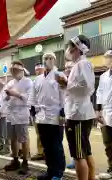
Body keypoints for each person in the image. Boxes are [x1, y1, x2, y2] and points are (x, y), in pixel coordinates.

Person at [59, 35, 96, 180]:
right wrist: (67, 84)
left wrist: (66, 84)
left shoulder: (82, 64)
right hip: (79, 113)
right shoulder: (79, 65)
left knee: (78, 155)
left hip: (78, 115)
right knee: (86, 152)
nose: (70, 51)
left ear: (80, 49)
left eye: (73, 48)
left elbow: (87, 88)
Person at [30, 52, 65, 180]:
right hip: (41, 116)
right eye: (45, 58)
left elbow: (64, 94)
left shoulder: (59, 75)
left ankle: (58, 173)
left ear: (54, 60)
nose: (47, 60)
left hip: (55, 115)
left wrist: (63, 110)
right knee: (46, 146)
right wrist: (32, 108)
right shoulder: (38, 79)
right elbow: (33, 95)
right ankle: (50, 171)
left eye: (50, 58)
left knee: (56, 146)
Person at [4, 61, 33, 175]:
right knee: (13, 138)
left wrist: (16, 94)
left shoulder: (28, 82)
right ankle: (15, 160)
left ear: (21, 70)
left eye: (15, 70)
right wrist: (7, 95)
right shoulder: (10, 82)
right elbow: (4, 97)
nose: (13, 72)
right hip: (11, 114)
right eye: (12, 70)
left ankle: (25, 162)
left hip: (21, 114)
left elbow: (30, 99)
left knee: (23, 139)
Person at [96, 48, 112, 179]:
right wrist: (98, 110)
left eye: (108, 57)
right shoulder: (104, 76)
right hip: (106, 112)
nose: (106, 59)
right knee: (108, 142)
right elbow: (99, 92)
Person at [31, 63, 45, 161]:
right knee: (39, 133)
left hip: (46, 112)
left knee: (45, 133)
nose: (38, 71)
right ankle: (41, 152)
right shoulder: (35, 81)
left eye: (40, 69)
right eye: (36, 70)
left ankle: (46, 152)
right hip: (35, 112)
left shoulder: (48, 80)